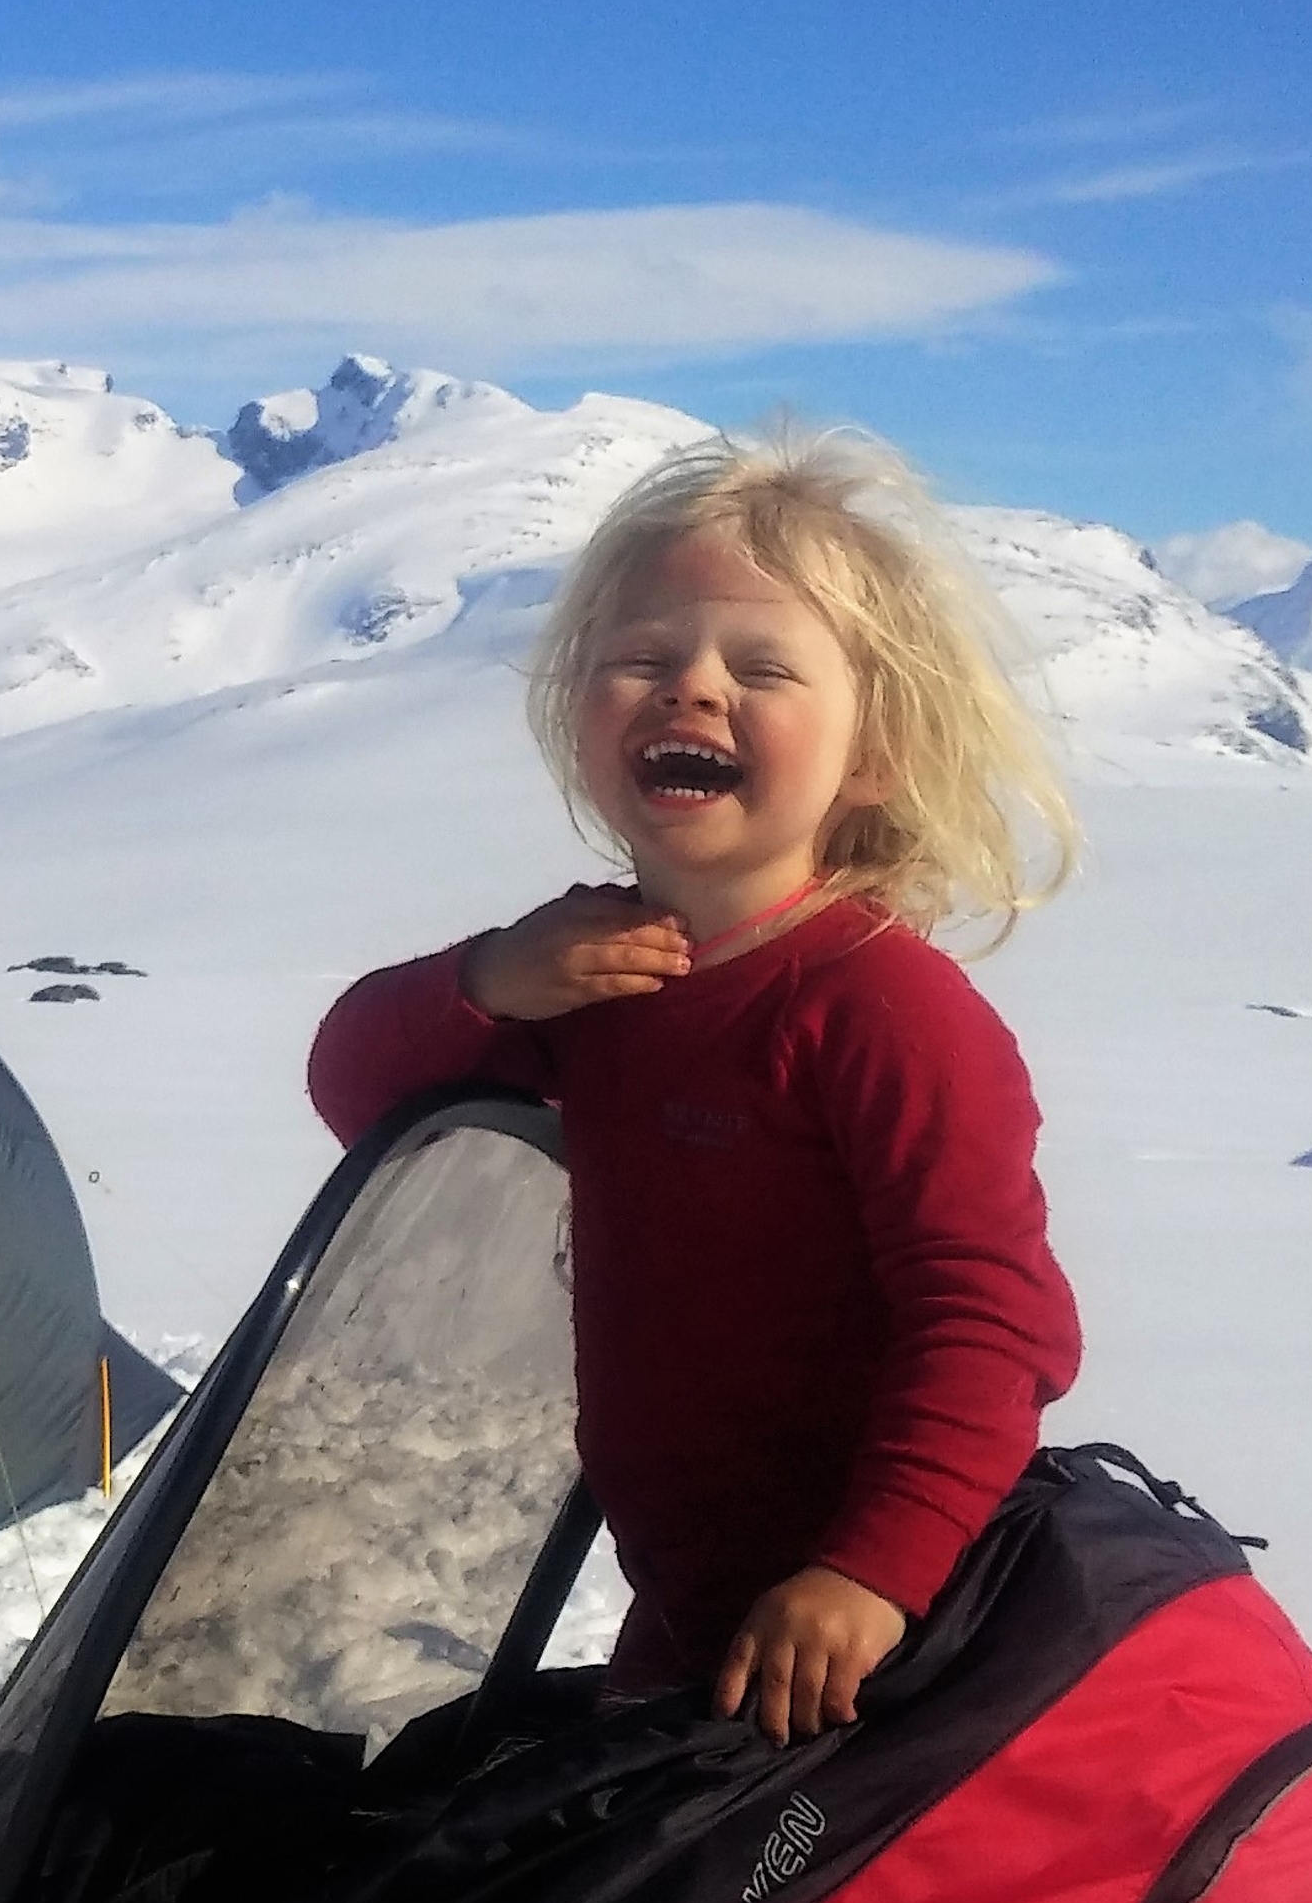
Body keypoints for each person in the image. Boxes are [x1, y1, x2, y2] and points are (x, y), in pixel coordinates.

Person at [307, 425, 1084, 1746]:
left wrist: (869, 1575)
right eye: (642, 663)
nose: (692, 692)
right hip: (688, 1606)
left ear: (874, 756)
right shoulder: (602, 974)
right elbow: (360, 1091)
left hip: (870, 1640)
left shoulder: (881, 1007)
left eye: (762, 668)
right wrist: (490, 979)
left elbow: (994, 1323)